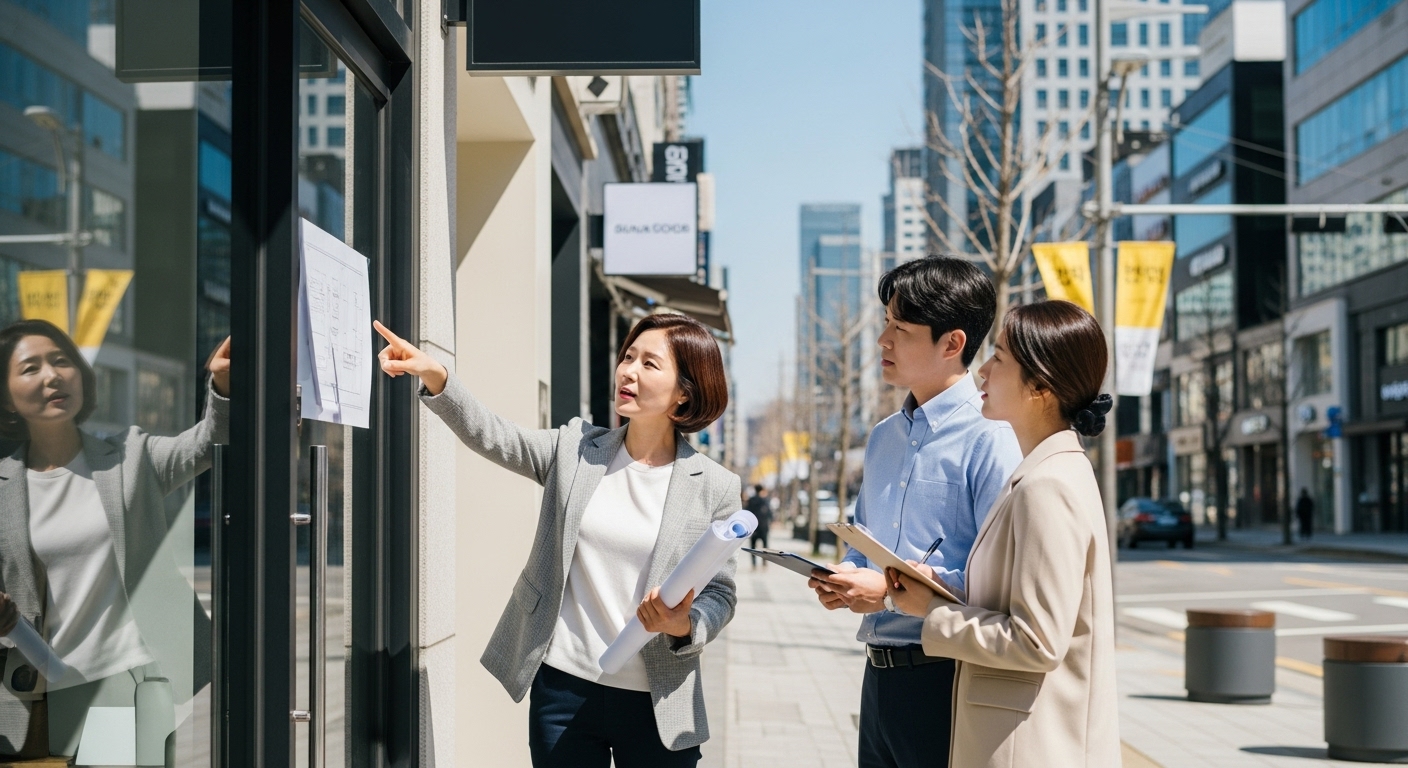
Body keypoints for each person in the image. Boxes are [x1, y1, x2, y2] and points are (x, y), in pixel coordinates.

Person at [372, 313, 739, 767]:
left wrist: (684, 624)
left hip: (657, 699)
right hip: (564, 686)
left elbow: (720, 592)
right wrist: (437, 376)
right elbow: (496, 436)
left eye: (649, 363)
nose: (628, 371)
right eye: (628, 356)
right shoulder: (577, 448)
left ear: (684, 390)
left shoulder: (714, 486)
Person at [806, 256, 1022, 768]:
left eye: (900, 329)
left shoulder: (993, 438)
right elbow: (864, 543)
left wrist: (888, 591)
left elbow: (1003, 581)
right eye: (885, 323)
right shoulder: (882, 438)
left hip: (948, 679)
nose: (882, 341)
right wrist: (845, 578)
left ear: (952, 344)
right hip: (877, 677)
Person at [885, 300, 1120, 768]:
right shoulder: (1049, 471)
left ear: (1041, 388)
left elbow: (1037, 640)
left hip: (1028, 745)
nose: (984, 371)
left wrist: (930, 613)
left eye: (1000, 359)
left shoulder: (1047, 485)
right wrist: (947, 588)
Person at [0, 319, 230, 759]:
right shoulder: (4, 488)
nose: (51, 375)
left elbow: (208, 441)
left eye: (61, 361)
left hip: (132, 676)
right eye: (30, 368)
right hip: (47, 687)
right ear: (6, 397)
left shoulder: (130, 456)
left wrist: (220, 385)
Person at [745, 485, 773, 567]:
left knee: (753, 547)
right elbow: (769, 513)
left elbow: (747, 512)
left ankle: (754, 563)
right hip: (763, 527)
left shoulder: (751, 500)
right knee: (765, 546)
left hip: (753, 527)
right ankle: (764, 562)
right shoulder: (765, 500)